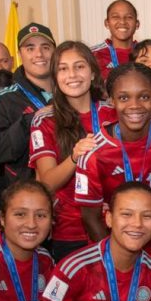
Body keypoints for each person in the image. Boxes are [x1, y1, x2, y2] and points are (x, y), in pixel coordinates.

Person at [74, 62, 151, 266]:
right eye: (124, 97)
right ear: (112, 101)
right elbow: (90, 218)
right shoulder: (94, 153)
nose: (135, 105)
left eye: (144, 96)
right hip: (116, 255)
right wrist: (116, 260)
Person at [29, 41, 116, 261]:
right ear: (55, 77)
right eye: (63, 68)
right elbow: (46, 183)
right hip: (70, 229)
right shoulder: (45, 119)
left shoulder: (113, 112)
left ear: (93, 73)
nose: (72, 75)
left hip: (115, 223)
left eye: (79, 66)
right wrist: (74, 157)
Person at [0, 23, 56, 183]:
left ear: (55, 52)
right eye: (30, 48)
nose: (39, 54)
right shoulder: (3, 98)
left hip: (74, 192)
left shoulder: (72, 90)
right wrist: (32, 121)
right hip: (28, 195)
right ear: (20, 54)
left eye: (46, 47)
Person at [91, 0, 140, 79]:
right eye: (115, 17)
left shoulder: (146, 54)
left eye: (129, 17)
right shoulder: (93, 55)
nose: (122, 22)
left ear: (137, 24)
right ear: (107, 23)